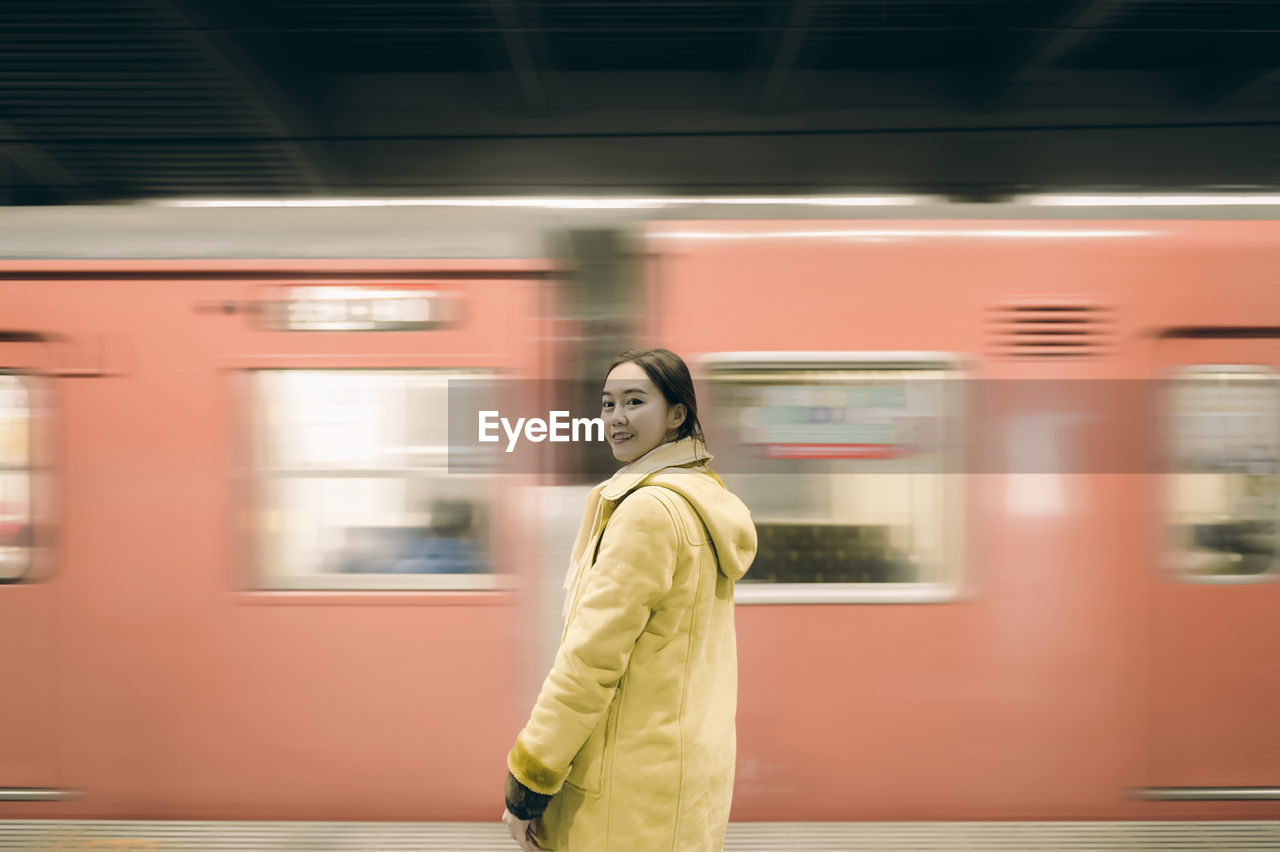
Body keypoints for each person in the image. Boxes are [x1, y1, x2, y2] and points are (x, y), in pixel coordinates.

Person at [502, 348, 758, 852]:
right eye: (607, 404)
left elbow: (591, 663)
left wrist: (530, 782)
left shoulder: (649, 512)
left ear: (676, 415)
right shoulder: (700, 499)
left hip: (628, 787)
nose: (616, 418)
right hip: (683, 776)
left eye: (635, 402)